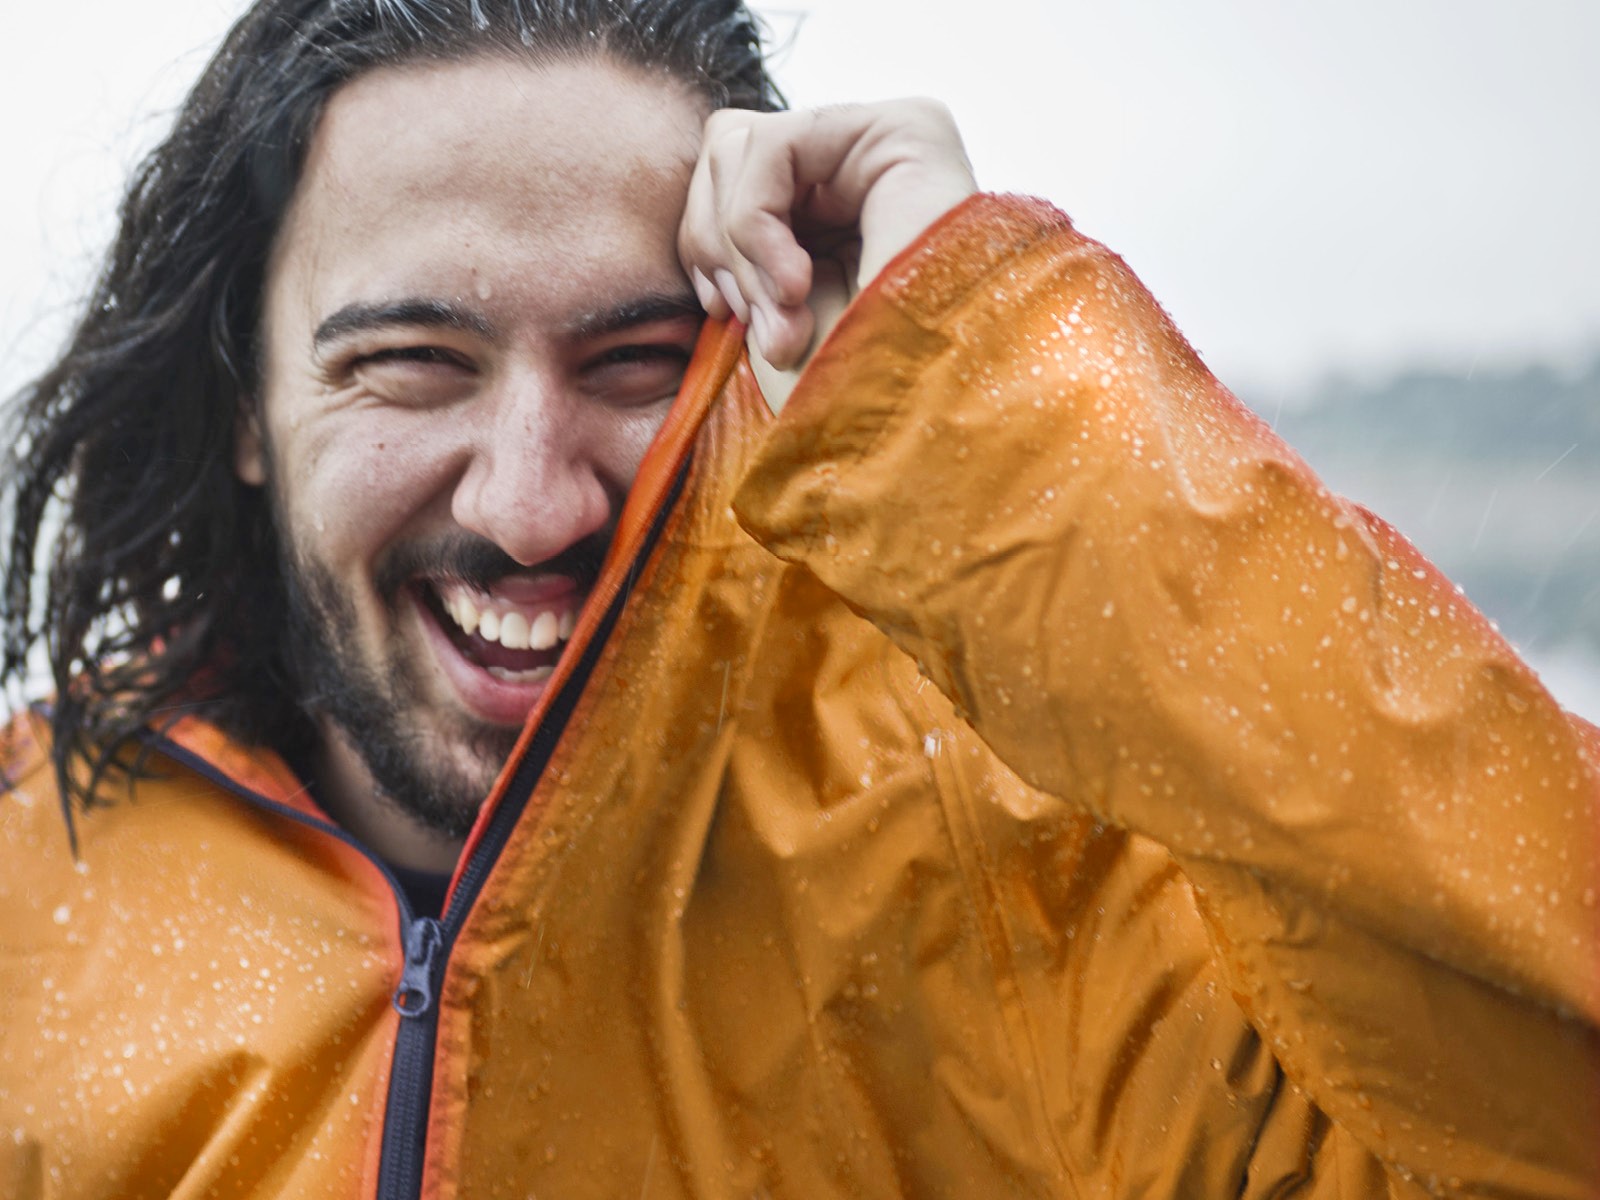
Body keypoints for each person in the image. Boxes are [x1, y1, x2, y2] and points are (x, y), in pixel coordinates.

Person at [1, 0, 1595, 1195]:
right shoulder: (27, 886)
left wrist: (989, 413)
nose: (532, 498)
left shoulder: (998, 892)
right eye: (413, 366)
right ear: (244, 410)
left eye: (636, 364)